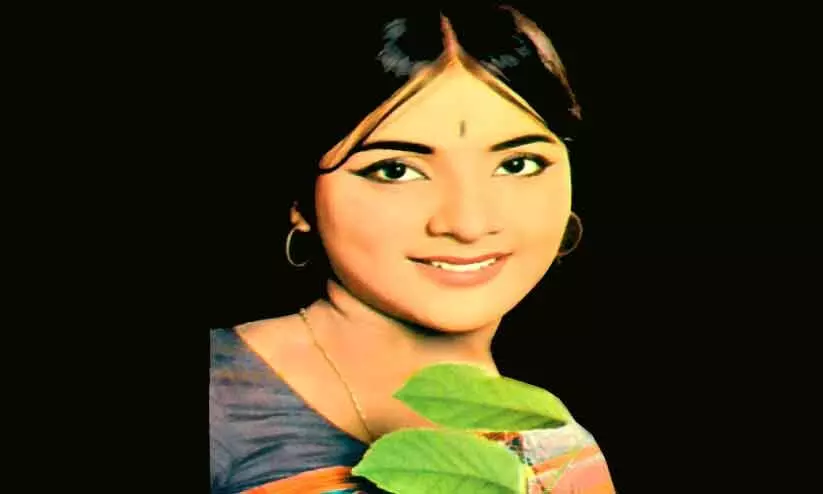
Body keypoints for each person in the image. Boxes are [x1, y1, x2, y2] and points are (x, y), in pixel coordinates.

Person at [211, 3, 615, 492]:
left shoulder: (561, 454)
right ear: (301, 200)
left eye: (518, 164)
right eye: (396, 170)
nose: (468, 224)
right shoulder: (218, 400)